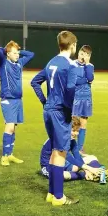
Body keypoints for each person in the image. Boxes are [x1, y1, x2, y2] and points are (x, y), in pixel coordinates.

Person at [31, 31, 79, 206]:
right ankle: (59, 197)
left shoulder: (51, 62)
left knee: (54, 151)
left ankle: (51, 193)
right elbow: (71, 89)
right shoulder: (71, 65)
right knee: (60, 152)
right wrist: (68, 109)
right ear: (73, 45)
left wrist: (45, 101)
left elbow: (35, 82)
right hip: (60, 112)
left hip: (49, 111)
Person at [0, 40, 35, 166]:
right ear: (7, 54)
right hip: (8, 100)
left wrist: (17, 49)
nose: (17, 55)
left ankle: (10, 154)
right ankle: (4, 156)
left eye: (18, 53)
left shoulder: (19, 63)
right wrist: (8, 48)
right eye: (14, 53)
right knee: (10, 127)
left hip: (18, 100)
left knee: (14, 129)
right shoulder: (3, 63)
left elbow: (31, 54)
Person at [40, 117, 108, 182]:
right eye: (73, 130)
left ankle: (97, 173)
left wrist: (86, 170)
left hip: (64, 164)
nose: (76, 133)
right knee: (59, 176)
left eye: (77, 131)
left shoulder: (72, 140)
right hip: (49, 167)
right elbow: (69, 158)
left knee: (92, 157)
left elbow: (77, 157)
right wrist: (89, 169)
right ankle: (85, 175)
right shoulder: (57, 139)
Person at [72, 45, 94, 151]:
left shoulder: (90, 66)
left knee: (83, 123)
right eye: (82, 53)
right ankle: (69, 145)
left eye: (86, 54)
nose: (83, 56)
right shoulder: (72, 64)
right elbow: (75, 81)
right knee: (73, 123)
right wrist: (85, 80)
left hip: (86, 98)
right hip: (75, 97)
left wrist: (87, 64)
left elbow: (90, 78)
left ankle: (80, 148)